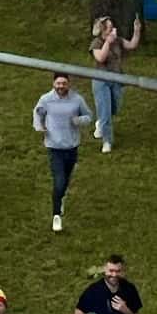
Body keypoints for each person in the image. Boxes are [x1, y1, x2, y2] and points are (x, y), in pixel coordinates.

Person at [30, 75, 92, 230]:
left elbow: (89, 116)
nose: (61, 86)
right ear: (53, 83)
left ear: (68, 84)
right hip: (54, 147)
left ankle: (61, 197)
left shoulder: (77, 99)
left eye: (64, 83)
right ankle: (56, 215)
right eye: (58, 83)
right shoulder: (46, 99)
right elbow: (38, 112)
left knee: (66, 179)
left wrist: (78, 121)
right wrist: (39, 126)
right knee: (59, 181)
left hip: (72, 146)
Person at [88, 17, 141, 153]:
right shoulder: (97, 43)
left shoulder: (118, 40)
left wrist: (136, 31)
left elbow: (132, 45)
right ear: (103, 31)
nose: (113, 29)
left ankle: (101, 121)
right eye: (110, 28)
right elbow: (100, 58)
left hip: (116, 79)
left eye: (113, 26)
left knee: (115, 108)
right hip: (101, 81)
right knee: (105, 111)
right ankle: (107, 141)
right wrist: (107, 42)